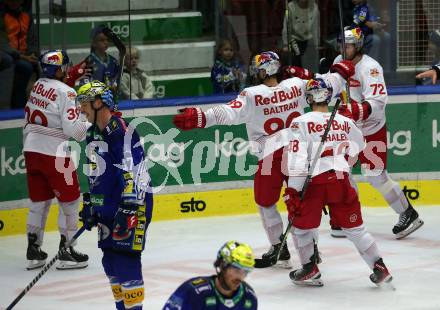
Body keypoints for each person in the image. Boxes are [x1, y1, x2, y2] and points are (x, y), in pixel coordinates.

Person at [173, 51, 354, 268]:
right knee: (301, 203)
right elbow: (326, 85)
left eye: (258, 68)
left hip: (271, 156)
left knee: (266, 203)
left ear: (265, 70)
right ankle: (311, 251)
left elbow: (227, 113)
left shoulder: (251, 95)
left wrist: (200, 117)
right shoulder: (296, 85)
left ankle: (279, 248)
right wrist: (340, 73)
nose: (255, 72)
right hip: (299, 152)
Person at [279, 77, 393, 287]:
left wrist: (292, 192)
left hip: (314, 184)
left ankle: (310, 268)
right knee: (356, 229)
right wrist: (344, 164)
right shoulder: (344, 121)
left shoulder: (300, 122)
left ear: (308, 97)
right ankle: (380, 267)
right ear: (328, 96)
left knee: (303, 228)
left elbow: (298, 161)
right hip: (341, 181)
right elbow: (360, 146)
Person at [334, 27, 424, 239]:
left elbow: (378, 102)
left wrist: (354, 110)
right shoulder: (339, 59)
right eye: (341, 45)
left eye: (346, 45)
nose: (343, 49)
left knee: (375, 176)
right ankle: (348, 217)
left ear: (358, 46)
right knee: (340, 171)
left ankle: (408, 213)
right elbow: (333, 86)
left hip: (370, 129)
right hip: (349, 129)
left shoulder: (371, 68)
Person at [78, 81, 153, 310]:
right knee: (109, 261)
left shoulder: (121, 130)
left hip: (132, 204)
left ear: (98, 103)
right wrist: (92, 203)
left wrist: (130, 206)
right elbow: (97, 174)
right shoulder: (93, 133)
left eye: (84, 103)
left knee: (125, 260)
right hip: (108, 207)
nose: (81, 109)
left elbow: (135, 169)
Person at [23, 50, 90, 270]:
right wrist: (88, 119)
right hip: (55, 153)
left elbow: (55, 93)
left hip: (32, 150)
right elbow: (75, 132)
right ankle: (67, 251)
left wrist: (72, 78)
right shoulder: (68, 93)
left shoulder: (38, 85)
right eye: (65, 67)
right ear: (57, 69)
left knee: (39, 201)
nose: (68, 70)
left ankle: (33, 251)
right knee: (70, 201)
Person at [163, 241, 258, 310]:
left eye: (246, 271)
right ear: (223, 265)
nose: (240, 276)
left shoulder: (249, 297)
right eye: (236, 269)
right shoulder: (194, 292)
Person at [0, 0, 39, 108]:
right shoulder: (2, 17)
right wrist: (23, 57)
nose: (14, 2)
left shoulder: (27, 16)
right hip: (10, 55)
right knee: (24, 67)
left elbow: (33, 40)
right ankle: (14, 106)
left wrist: (33, 55)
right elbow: (3, 44)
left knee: (38, 66)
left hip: (25, 55)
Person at [350, 0, 391, 72]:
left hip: (371, 32)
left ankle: (386, 69)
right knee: (375, 40)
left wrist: (379, 27)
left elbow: (373, 20)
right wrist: (373, 25)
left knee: (387, 36)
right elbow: (362, 23)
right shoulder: (356, 8)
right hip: (358, 34)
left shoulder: (368, 6)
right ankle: (372, 69)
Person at [281, 0, 319, 67]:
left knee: (310, 63)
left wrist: (316, 45)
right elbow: (286, 27)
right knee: (295, 62)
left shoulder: (314, 7)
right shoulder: (290, 6)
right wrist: (286, 44)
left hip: (309, 40)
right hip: (294, 39)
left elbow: (315, 28)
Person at [81, 25, 120, 90]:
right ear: (94, 43)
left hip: (111, 95)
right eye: (102, 40)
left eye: (107, 40)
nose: (106, 42)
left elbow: (118, 76)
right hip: (95, 96)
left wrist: (115, 84)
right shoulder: (89, 61)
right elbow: (85, 81)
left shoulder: (113, 61)